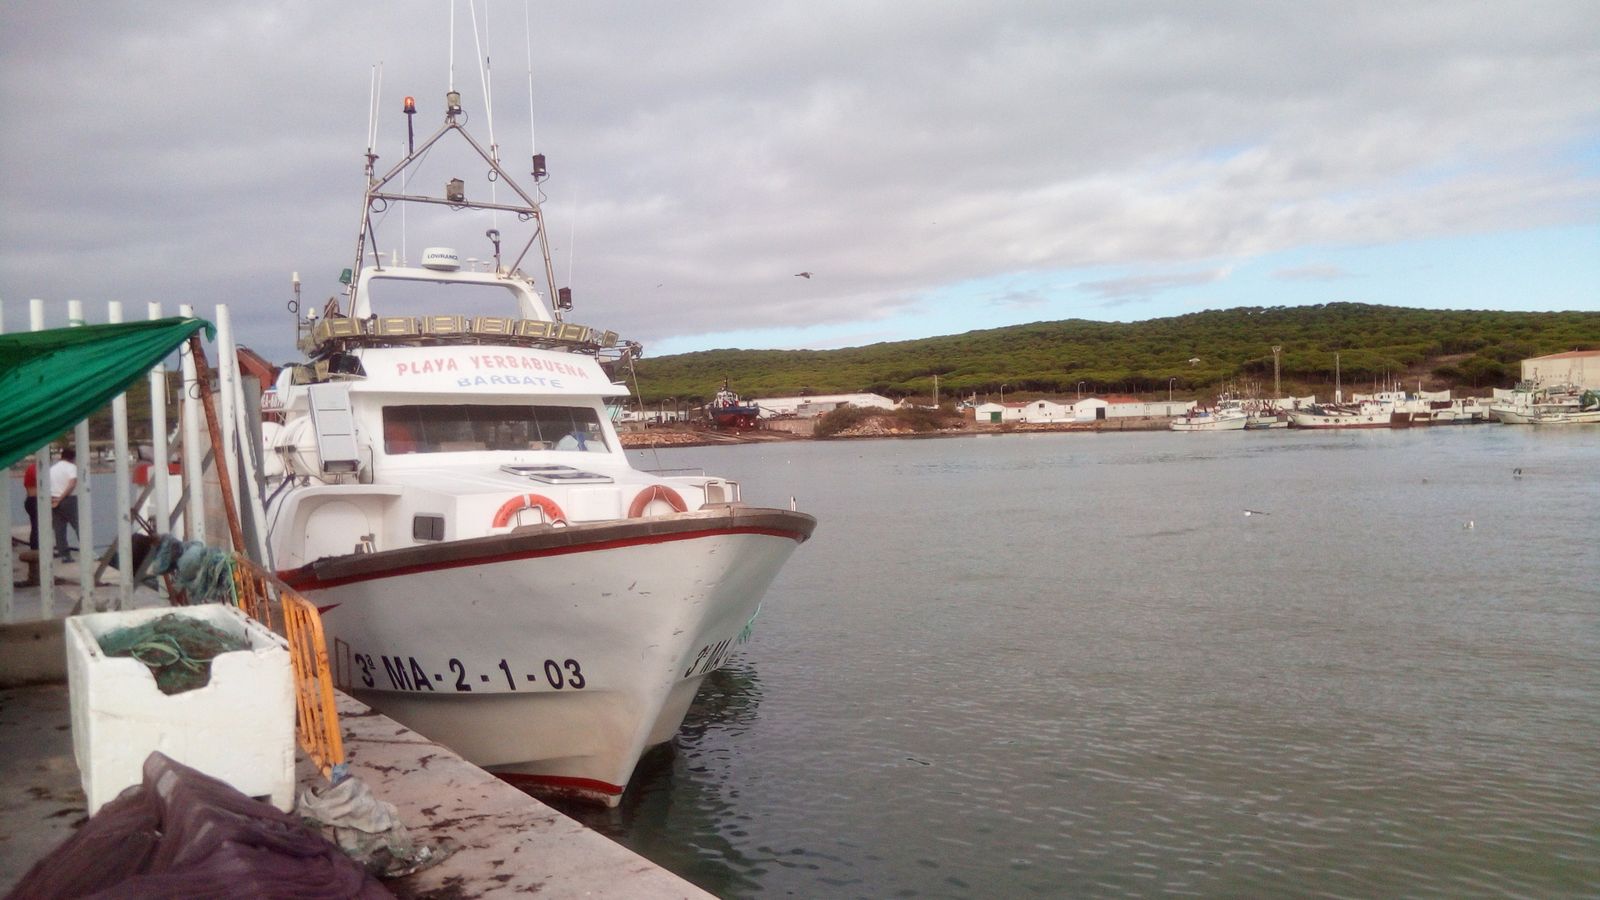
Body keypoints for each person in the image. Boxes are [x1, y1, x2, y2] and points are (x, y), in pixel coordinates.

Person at [49, 448, 79, 562]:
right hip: (68, 499)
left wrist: (55, 499)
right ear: (72, 458)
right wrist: (61, 498)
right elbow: (72, 484)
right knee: (78, 525)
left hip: (53, 499)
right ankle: (88, 551)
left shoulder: (52, 469)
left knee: (59, 529)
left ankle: (64, 555)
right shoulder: (71, 467)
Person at [22, 461, 39, 550]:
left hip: (30, 499)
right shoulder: (36, 469)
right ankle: (36, 548)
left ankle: (35, 547)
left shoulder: (31, 468)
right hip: (35, 500)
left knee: (35, 526)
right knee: (37, 526)